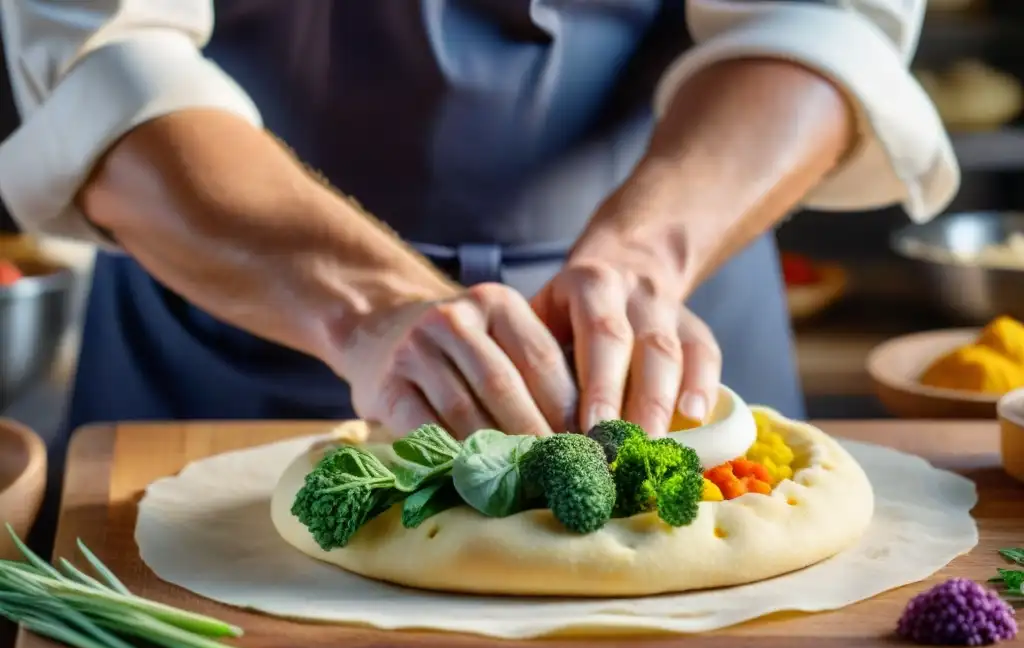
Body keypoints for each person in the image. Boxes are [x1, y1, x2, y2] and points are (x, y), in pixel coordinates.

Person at [0, 0, 958, 444]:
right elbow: (104, 62)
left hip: (671, 323)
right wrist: (370, 310)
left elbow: (817, 21)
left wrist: (642, 261)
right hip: (230, 336)